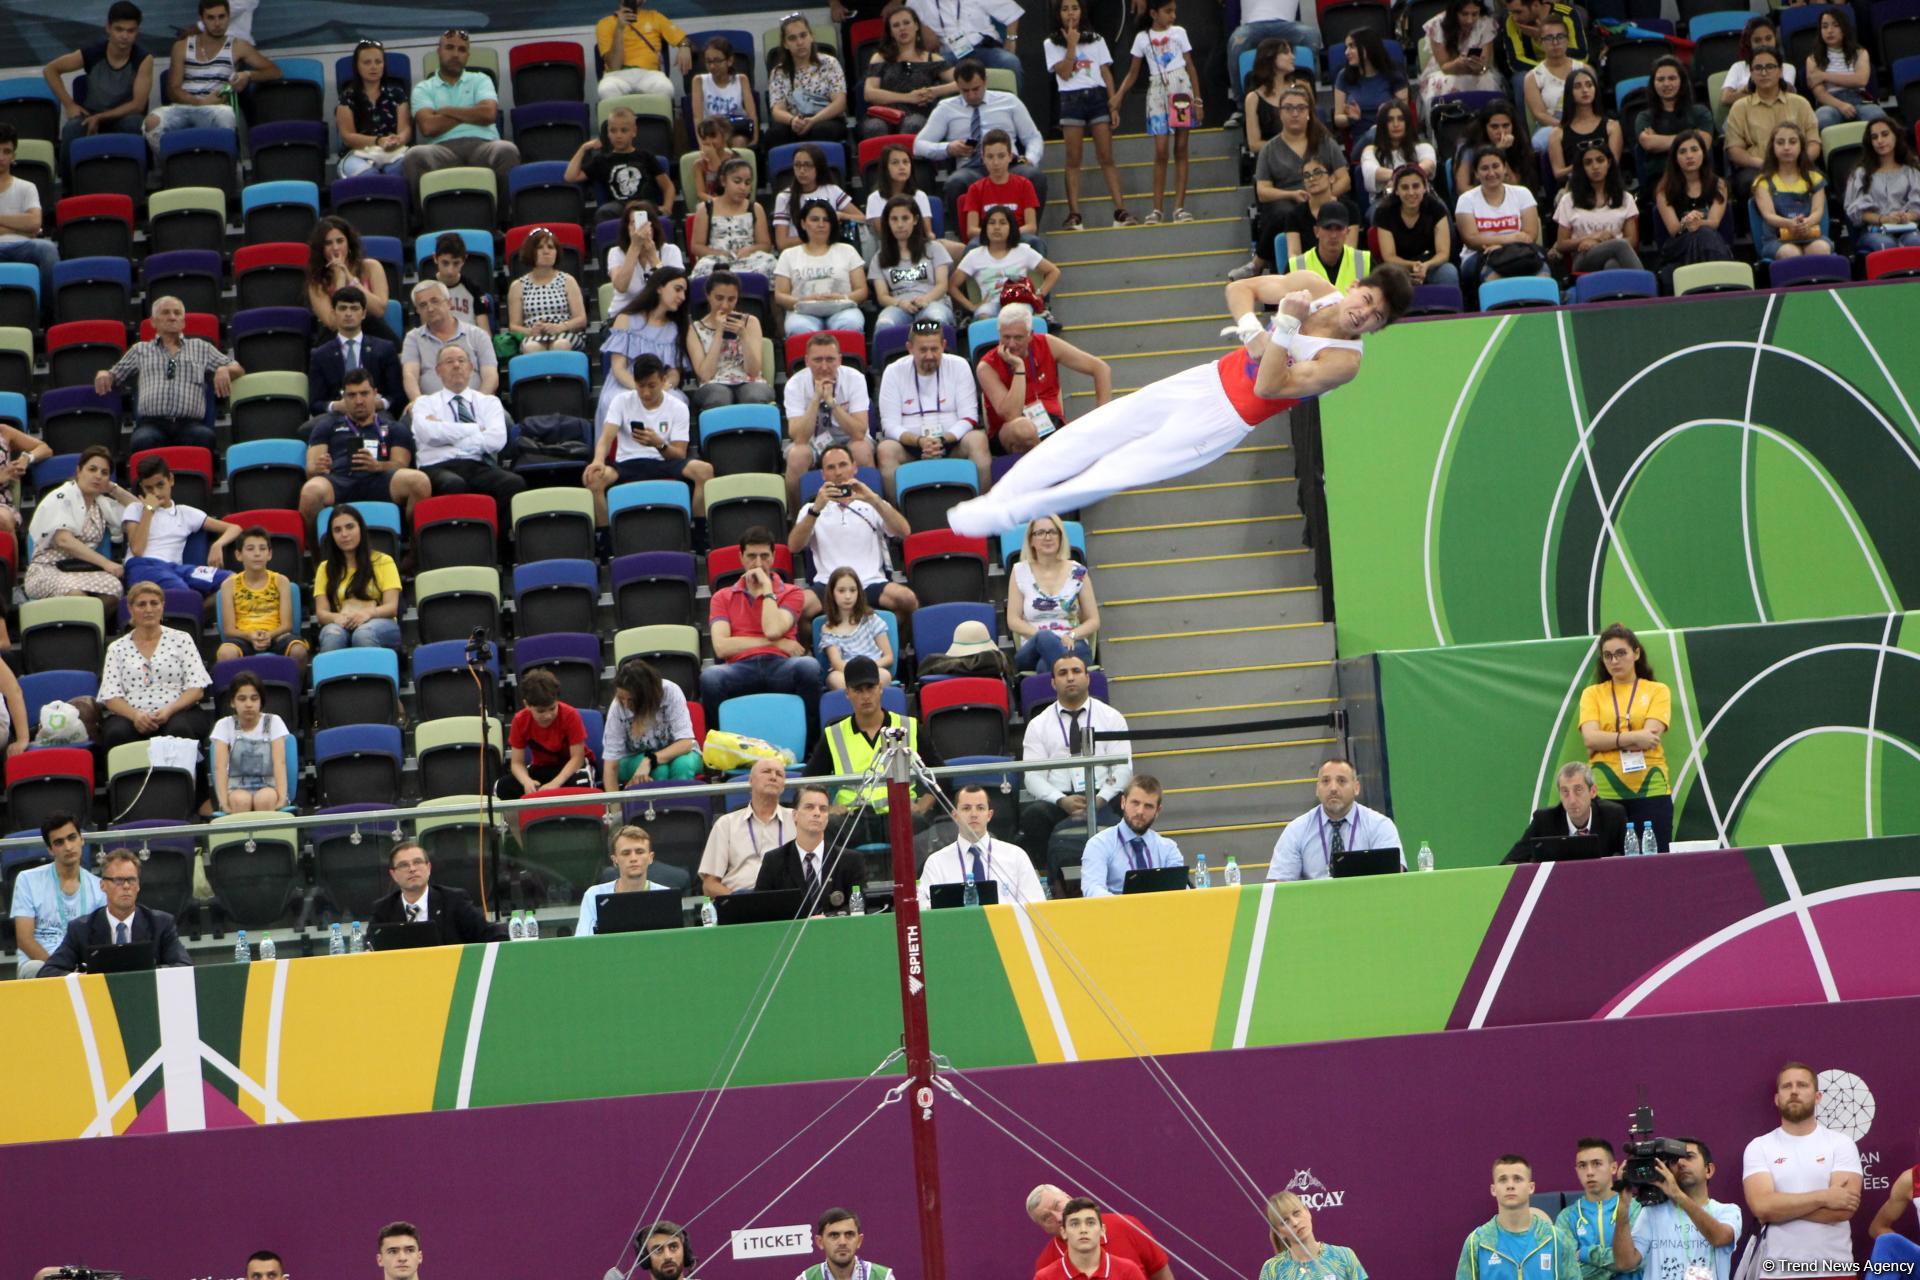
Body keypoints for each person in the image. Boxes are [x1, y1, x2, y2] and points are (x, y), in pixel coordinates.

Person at [952, 271, 1406, 536]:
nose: (1363, 314)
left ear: (1378, 328)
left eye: (1376, 317)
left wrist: (1285, 325)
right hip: (1203, 380)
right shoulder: (1312, 284)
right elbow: (1238, 290)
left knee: (1117, 469)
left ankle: (1009, 515)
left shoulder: (1344, 362)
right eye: (1366, 299)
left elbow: (1269, 387)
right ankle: (1001, 495)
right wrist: (1252, 330)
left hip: (1222, 421)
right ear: (1353, 286)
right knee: (1093, 431)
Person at [804, 655, 942, 844]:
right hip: (852, 818)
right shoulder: (834, 734)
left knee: (918, 823)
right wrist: (827, 808)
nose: (865, 696)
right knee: (827, 825)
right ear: (847, 693)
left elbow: (940, 774)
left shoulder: (907, 726)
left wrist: (923, 805)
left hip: (900, 814)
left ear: (880, 689)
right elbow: (807, 783)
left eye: (870, 688)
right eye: (858, 690)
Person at [1741, 1062, 1863, 1272]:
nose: (1794, 1091)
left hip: (1834, 1270)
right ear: (1777, 1099)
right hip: (1777, 1272)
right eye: (1787, 1086)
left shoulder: (1841, 1143)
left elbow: (1843, 1209)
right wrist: (1824, 1197)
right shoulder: (1759, 1146)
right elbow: (1761, 1207)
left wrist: (1778, 1207)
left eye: (1802, 1085)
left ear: (1817, 1097)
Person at [702, 527, 825, 725]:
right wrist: (776, 644)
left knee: (809, 667)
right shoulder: (721, 596)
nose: (758, 563)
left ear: (773, 557)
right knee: (711, 677)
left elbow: (773, 629)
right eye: (751, 556)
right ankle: (718, 745)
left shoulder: (793, 592)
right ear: (741, 557)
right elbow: (721, 647)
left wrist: (768, 590)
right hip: (739, 667)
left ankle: (812, 744)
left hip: (781, 666)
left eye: (764, 556)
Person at [96, 295, 242, 453]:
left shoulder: (202, 348)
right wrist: (104, 373)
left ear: (183, 321)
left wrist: (223, 369)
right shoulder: (140, 350)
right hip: (152, 424)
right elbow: (115, 375)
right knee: (142, 440)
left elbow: (238, 369)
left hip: (190, 424)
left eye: (177, 313)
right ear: (153, 322)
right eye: (166, 312)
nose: (172, 317)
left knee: (205, 437)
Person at [1020, 652, 1129, 863]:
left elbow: (1123, 770)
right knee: (1034, 816)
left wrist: (1100, 799)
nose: (1070, 677)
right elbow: (1032, 777)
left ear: (1088, 678)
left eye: (1076, 671)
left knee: (1130, 806)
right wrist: (1061, 800)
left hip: (1102, 796)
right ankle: (1052, 883)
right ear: (1053, 682)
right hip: (1060, 799)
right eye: (1063, 673)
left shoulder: (1111, 717)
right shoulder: (1038, 725)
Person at [1579, 622, 1675, 851]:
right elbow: (1590, 739)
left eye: (1621, 653)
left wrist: (1609, 739)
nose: (1614, 661)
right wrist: (1632, 738)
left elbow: (1651, 736)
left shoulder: (1657, 690)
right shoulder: (1592, 694)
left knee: (1655, 864)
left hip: (1651, 790)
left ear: (1636, 653)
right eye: (1608, 655)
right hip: (1605, 792)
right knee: (1607, 869)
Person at [1239, 85, 1351, 282]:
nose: (1295, 113)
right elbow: (1263, 191)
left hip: (1323, 196)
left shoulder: (1324, 142)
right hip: (1288, 199)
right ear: (1280, 113)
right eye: (1288, 108)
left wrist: (1329, 194)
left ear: (1309, 112)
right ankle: (1275, 269)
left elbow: (1344, 178)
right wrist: (1291, 194)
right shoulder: (1270, 149)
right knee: (1284, 213)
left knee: (1345, 208)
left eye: (1300, 108)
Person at [791, 443, 916, 618]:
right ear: (823, 474)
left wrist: (874, 500)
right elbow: (794, 546)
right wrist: (816, 510)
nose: (838, 472)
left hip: (870, 583)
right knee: (796, 609)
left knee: (907, 599)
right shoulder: (810, 509)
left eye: (843, 465)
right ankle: (814, 646)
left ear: (854, 468)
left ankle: (894, 643)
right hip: (828, 584)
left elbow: (905, 531)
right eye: (831, 467)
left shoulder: (873, 503)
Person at [588, 350, 710, 529]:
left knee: (705, 471)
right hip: (627, 462)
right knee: (594, 479)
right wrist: (598, 461)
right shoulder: (621, 401)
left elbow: (679, 453)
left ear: (663, 380)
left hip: (664, 461)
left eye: (651, 386)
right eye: (640, 385)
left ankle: (699, 531)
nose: (646, 392)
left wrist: (658, 444)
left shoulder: (678, 407)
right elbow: (606, 438)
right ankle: (605, 537)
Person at [407, 344, 525, 527]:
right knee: (454, 484)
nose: (456, 365)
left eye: (461, 361)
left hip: (476, 465)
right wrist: (476, 429)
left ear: (471, 368)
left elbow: (496, 441)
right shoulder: (424, 403)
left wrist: (445, 433)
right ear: (438, 371)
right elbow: (428, 434)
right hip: (436, 466)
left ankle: (497, 545)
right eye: (449, 361)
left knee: (513, 483)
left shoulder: (488, 402)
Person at [974, 302, 1112, 457]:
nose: (1011, 344)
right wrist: (1019, 368)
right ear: (999, 333)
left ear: (1030, 335)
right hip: (1009, 431)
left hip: (1050, 423)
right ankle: (1050, 462)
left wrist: (1103, 417)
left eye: (1018, 337)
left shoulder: (1047, 343)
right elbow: (1011, 414)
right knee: (1024, 429)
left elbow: (1101, 369)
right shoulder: (986, 366)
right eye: (1006, 337)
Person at [143, 0, 279, 155]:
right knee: (152, 121)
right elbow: (173, 90)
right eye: (211, 18)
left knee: (227, 115)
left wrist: (247, 75)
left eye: (222, 17)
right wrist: (199, 102)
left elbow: (274, 71)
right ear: (201, 19)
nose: (217, 23)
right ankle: (171, 164)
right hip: (184, 106)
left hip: (215, 109)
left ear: (229, 17)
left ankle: (225, 165)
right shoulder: (181, 46)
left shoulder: (238, 46)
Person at [914, 60, 1049, 216]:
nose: (971, 95)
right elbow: (919, 145)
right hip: (971, 168)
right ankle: (964, 238)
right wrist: (948, 148)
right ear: (957, 86)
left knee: (1035, 177)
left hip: (1010, 164)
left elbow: (1033, 136)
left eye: (976, 89)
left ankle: (1030, 233)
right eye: (965, 91)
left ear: (985, 82)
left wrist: (1030, 159)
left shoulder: (1009, 101)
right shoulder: (946, 108)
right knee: (955, 184)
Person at [98, 580, 214, 756]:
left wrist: (169, 710)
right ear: (130, 609)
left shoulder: (182, 639)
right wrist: (136, 716)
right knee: (116, 734)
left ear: (162, 606)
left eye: (154, 603)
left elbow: (196, 689)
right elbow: (111, 697)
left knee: (179, 731)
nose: (148, 609)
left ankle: (184, 782)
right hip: (131, 714)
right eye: (141, 604)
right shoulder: (117, 648)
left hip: (178, 710)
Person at [301, 369, 428, 528]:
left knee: (420, 482)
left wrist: (378, 466)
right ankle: (318, 553)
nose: (359, 400)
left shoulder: (394, 428)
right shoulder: (326, 426)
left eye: (364, 393)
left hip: (380, 479)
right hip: (339, 479)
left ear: (375, 394)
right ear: (344, 397)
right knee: (310, 492)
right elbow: (310, 470)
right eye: (352, 395)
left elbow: (400, 464)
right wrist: (319, 467)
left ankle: (415, 550)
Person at [404, 27, 520, 200]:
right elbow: (428, 127)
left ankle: (503, 222)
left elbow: (488, 114)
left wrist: (447, 111)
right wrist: (472, 112)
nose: (456, 54)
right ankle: (422, 225)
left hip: (484, 146)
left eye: (462, 50)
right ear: (439, 51)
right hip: (441, 149)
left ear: (468, 55)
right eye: (449, 48)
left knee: (507, 149)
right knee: (414, 156)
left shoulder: (481, 79)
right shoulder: (424, 88)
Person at [1110, 0, 1200, 224]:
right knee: (1161, 150)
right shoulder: (1142, 38)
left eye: (1174, 11)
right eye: (1168, 11)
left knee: (1181, 147)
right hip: (1157, 91)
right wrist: (1119, 95)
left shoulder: (1179, 33)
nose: (1173, 16)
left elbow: (1190, 66)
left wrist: (1197, 100)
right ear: (1153, 13)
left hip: (1180, 89)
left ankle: (1179, 207)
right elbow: (1132, 73)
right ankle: (1156, 208)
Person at [37, 847, 191, 975]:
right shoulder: (80, 929)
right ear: (102, 885)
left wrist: (150, 973)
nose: (126, 886)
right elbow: (48, 971)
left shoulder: (161, 924)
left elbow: (184, 966)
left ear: (138, 886)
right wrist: (83, 978)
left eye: (131, 880)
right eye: (118, 880)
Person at [1047, 0, 1129, 230]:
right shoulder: (1051, 43)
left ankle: (1121, 210)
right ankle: (1074, 214)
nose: (1070, 13)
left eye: (1074, 7)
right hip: (1070, 99)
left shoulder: (1096, 39)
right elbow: (1063, 73)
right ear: (1058, 14)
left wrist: (1113, 103)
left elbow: (1105, 71)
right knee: (1073, 158)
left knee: (1106, 156)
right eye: (1065, 9)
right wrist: (1071, 46)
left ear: (1082, 11)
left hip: (1096, 98)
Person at [877, 318, 985, 489]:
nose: (929, 355)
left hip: (952, 442)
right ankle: (896, 513)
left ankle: (984, 504)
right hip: (911, 446)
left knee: (978, 439)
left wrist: (942, 440)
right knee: (886, 449)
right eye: (923, 350)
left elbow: (969, 418)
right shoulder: (893, 371)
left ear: (943, 345)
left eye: (934, 349)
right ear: (910, 348)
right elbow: (889, 425)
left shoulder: (959, 366)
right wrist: (920, 441)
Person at [1610, 1138, 1740, 1280]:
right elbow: (1624, 1263)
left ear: (1708, 1170)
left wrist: (1677, 1195)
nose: (1680, 1163)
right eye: (1673, 1160)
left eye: (1689, 1157)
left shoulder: (1727, 1210)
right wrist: (1623, 1205)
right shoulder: (1651, 1212)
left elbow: (1719, 1238)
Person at [24, 444, 133, 608]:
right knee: (77, 596)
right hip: (46, 570)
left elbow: (140, 511)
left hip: (80, 570)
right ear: (78, 471)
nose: (98, 476)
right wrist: (106, 563)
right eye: (92, 469)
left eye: (104, 473)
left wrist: (113, 488)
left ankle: (89, 631)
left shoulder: (101, 504)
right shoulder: (62, 496)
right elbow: (63, 540)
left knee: (114, 590)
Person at [43, 1, 154, 160]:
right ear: (108, 28)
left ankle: (138, 179)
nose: (124, 36)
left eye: (131, 31)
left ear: (137, 31)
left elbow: (138, 105)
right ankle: (68, 182)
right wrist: (69, 104)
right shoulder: (93, 52)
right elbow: (50, 70)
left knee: (134, 125)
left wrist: (101, 117)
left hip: (125, 116)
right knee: (72, 129)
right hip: (91, 114)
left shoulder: (144, 59)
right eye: (119, 29)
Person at [1268, 756, 1403, 880]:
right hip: (1315, 904)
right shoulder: (1296, 830)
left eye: (1341, 781)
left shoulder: (1380, 825)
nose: (1333, 788)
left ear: (1356, 788)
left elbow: (1395, 878)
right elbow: (1279, 885)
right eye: (1326, 781)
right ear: (1317, 789)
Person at [123, 453, 237, 596]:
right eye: (149, 488)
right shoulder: (136, 508)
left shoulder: (185, 513)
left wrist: (217, 544)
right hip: (143, 566)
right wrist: (148, 510)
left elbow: (234, 528)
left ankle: (198, 611)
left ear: (171, 480)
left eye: (160, 485)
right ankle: (191, 605)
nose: (156, 493)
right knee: (181, 592)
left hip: (177, 569)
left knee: (233, 580)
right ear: (142, 487)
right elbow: (137, 550)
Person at [783, 332, 874, 504]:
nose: (824, 367)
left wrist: (832, 403)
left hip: (847, 438)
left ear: (839, 360)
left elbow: (859, 433)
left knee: (861, 449)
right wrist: (816, 399)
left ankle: (870, 511)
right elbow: (799, 437)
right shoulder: (794, 385)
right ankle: (796, 519)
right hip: (812, 441)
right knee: (796, 456)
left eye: (830, 360)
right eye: (817, 360)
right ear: (807, 360)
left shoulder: (855, 379)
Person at [10, 813, 104, 980]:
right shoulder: (27, 879)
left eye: (72, 838)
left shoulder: (99, 887)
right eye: (59, 842)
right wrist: (59, 971)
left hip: (82, 967)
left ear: (81, 840)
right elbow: (24, 939)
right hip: (40, 964)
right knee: (34, 968)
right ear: (50, 849)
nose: (68, 847)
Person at [1457, 1155, 1581, 1279]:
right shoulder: (1477, 1242)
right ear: (1493, 1189)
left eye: (1517, 1179)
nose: (1510, 1185)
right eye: (1503, 1179)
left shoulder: (1556, 1239)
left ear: (1531, 1187)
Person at [920, 782, 1043, 905]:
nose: (974, 814)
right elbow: (923, 908)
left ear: (989, 815)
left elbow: (1036, 905)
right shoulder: (936, 862)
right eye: (966, 808)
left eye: (980, 808)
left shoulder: (1016, 856)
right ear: (955, 815)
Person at [1724, 52, 1820, 205]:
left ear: (1780, 71)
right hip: (1758, 167)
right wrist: (1762, 164)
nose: (1764, 72)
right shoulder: (1739, 107)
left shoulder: (1800, 103)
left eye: (1770, 67)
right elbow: (1734, 150)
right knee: (1747, 183)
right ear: (1751, 73)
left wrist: (1798, 161)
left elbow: (1814, 142)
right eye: (1758, 68)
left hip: (1797, 163)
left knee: (1818, 180)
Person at [754, 782, 864, 910]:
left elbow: (859, 908)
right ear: (795, 815)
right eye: (809, 807)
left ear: (827, 817)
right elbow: (760, 909)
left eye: (823, 809)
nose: (817, 813)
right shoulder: (774, 861)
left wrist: (827, 918)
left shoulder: (850, 860)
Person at [1008, 514, 1097, 671]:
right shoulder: (1019, 571)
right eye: (1040, 533)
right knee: (1045, 638)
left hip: (1073, 645)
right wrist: (1043, 638)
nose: (1047, 537)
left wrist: (1072, 635)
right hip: (1032, 647)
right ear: (1031, 540)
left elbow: (1093, 620)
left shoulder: (1078, 571)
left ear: (1061, 537)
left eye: (1053, 532)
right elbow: (1013, 620)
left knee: (1044, 667)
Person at [1028, 1185, 1174, 1280]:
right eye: (1047, 1218)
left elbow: (1161, 1273)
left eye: (1057, 1205)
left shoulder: (1126, 1226)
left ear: (1068, 1198)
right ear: (1042, 1227)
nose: (1059, 1217)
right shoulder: (1045, 1268)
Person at [215, 525, 310, 667]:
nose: (257, 554)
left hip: (277, 635)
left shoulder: (281, 581)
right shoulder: (228, 585)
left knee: (299, 651)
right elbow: (229, 630)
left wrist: (269, 635)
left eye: (262, 548)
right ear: (238, 555)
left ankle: (297, 689)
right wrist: (250, 635)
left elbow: (287, 625)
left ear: (270, 554)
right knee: (225, 654)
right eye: (250, 549)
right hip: (244, 637)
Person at [776, 200, 870, 341]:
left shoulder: (848, 251)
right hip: (803, 311)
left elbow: (862, 291)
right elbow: (780, 295)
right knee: (799, 329)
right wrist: (803, 300)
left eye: (826, 220)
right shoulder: (789, 255)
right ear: (803, 223)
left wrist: (841, 298)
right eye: (814, 219)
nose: (821, 224)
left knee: (851, 324)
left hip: (842, 309)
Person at [698, 756, 794, 896]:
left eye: (779, 774)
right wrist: (738, 902)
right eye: (766, 771)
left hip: (787, 900)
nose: (773, 777)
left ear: (783, 785)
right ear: (750, 780)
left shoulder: (797, 820)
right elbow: (709, 885)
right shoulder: (726, 824)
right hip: (740, 899)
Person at [313, 504, 402, 653]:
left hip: (380, 622)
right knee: (332, 635)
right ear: (332, 536)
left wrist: (367, 614)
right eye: (337, 530)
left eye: (350, 527)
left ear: (360, 528)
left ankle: (373, 676)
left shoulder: (384, 561)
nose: (344, 534)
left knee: (363, 634)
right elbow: (322, 613)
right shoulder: (324, 568)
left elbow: (391, 608)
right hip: (343, 622)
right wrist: (336, 618)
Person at [564, 106, 675, 224]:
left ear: (634, 132)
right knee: (604, 212)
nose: (618, 135)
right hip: (617, 208)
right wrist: (583, 148)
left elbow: (668, 186)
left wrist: (667, 207)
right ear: (608, 133)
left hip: (642, 205)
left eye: (624, 130)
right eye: (613, 131)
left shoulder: (645, 157)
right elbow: (570, 177)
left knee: (641, 213)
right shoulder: (601, 160)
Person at [368, 841, 495, 944]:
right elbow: (369, 946)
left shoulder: (454, 900)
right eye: (403, 865)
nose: (412, 869)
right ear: (393, 874)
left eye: (417, 862)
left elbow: (489, 934)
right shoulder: (383, 910)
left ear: (428, 868)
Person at [1456, 145, 1547, 288]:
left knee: (1543, 274)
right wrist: (1511, 239)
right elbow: (1472, 240)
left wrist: (1498, 245)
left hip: (1521, 252)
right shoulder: (1466, 200)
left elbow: (1530, 235)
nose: (1491, 173)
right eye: (1484, 168)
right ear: (1476, 173)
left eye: (1495, 166)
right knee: (1495, 280)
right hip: (1480, 255)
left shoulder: (1523, 193)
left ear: (1505, 168)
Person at [603, 656, 701, 787]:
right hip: (633, 758)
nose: (625, 705)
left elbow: (685, 743)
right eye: (621, 698)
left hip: (678, 754)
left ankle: (683, 807)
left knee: (682, 766)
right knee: (659, 771)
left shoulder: (671, 691)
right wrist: (615, 806)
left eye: (631, 700)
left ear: (646, 695)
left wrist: (650, 760)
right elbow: (611, 766)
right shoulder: (617, 707)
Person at [1078, 776, 1182, 897]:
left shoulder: (1168, 848)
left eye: (1148, 806)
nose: (1140, 812)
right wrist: (1127, 907)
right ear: (1123, 802)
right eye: (1135, 803)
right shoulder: (1099, 844)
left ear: (1157, 811)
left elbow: (1180, 890)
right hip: (1115, 913)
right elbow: (1092, 890)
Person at [864, 4, 957, 140]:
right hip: (885, 114)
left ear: (916, 26)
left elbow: (962, 81)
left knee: (914, 124)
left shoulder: (932, 59)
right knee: (874, 127)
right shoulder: (880, 57)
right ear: (890, 32)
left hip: (919, 114)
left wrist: (933, 91)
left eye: (906, 23)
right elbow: (869, 93)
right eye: (896, 25)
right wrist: (908, 97)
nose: (902, 28)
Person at [687, 270, 774, 413]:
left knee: (753, 396)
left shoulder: (750, 322)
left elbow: (753, 371)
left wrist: (744, 336)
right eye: (719, 298)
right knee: (719, 398)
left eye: (731, 299)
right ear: (708, 296)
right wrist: (719, 333)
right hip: (714, 383)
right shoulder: (695, 329)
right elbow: (705, 375)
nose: (725, 305)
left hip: (749, 380)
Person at [308, 286, 405, 415]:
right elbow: (315, 404)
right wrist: (336, 406)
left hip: (377, 415)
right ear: (334, 313)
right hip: (336, 418)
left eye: (354, 308)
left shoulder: (385, 349)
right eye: (342, 308)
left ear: (364, 313)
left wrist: (378, 403)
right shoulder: (320, 355)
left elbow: (398, 397)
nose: (348, 313)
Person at [499, 668, 593, 801]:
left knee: (582, 783)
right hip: (542, 767)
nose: (548, 715)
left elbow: (577, 758)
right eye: (541, 711)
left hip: (571, 767)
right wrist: (526, 781)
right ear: (527, 705)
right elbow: (516, 763)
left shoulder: (570, 715)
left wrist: (555, 784)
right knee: (503, 786)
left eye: (552, 708)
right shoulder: (519, 721)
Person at [1503, 762, 1626, 861]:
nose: (1572, 800)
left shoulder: (1613, 816)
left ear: (1593, 791)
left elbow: (1632, 860)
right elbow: (1509, 863)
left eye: (1578, 790)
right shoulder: (1544, 821)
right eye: (1565, 791)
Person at [871, 197, 958, 338]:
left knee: (934, 320)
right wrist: (900, 303)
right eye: (894, 219)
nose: (900, 224)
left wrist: (926, 299)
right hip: (899, 305)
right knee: (884, 325)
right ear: (887, 222)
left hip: (933, 301)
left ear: (916, 220)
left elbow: (942, 286)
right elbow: (882, 296)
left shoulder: (934, 248)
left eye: (905, 218)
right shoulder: (879, 257)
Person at [953, 207, 1059, 321]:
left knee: (1017, 316)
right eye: (992, 223)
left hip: (1019, 302)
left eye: (1003, 223)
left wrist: (1038, 295)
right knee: (983, 315)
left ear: (1011, 227)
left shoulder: (1023, 251)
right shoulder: (974, 255)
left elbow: (1053, 271)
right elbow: (952, 285)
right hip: (991, 304)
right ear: (985, 228)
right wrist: (971, 306)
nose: (997, 227)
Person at [401, 280, 498, 401]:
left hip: (476, 403)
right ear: (417, 311)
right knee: (406, 419)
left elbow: (491, 376)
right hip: (432, 408)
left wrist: (480, 404)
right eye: (423, 305)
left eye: (435, 301)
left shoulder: (478, 335)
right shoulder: (413, 338)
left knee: (504, 418)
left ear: (449, 303)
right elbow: (410, 375)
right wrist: (418, 403)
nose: (430, 308)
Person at [1550, 146, 1642, 275]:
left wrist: (1601, 243)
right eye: (1588, 163)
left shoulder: (1625, 198)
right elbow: (1561, 244)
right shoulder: (1568, 200)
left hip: (1617, 256)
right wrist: (1593, 238)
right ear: (1582, 168)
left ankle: (1613, 295)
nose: (1595, 166)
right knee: (1620, 245)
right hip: (1583, 258)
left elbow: (1632, 240)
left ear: (1609, 163)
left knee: (1612, 265)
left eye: (1600, 160)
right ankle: (1646, 287)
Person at [1553, 1139, 1637, 1280]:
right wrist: (1622, 1262)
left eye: (1597, 1164)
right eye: (1582, 1166)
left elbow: (1638, 1261)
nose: (1589, 1172)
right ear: (1576, 1170)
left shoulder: (1635, 1208)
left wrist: (1585, 1254)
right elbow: (1568, 1272)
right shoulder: (1566, 1218)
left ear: (1613, 1168)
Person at [210, 670, 291, 813]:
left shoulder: (274, 722)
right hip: (236, 787)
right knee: (240, 801)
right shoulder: (223, 725)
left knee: (265, 799)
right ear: (232, 702)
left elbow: (280, 763)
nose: (248, 704)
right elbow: (219, 767)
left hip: (268, 786)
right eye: (242, 699)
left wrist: (282, 797)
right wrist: (223, 803)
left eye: (254, 698)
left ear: (261, 701)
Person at [767, 14, 850, 150]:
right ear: (785, 44)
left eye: (803, 35)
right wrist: (792, 120)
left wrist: (813, 121)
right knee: (775, 134)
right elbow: (777, 110)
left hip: (826, 119)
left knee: (820, 131)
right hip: (794, 121)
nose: (799, 42)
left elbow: (839, 103)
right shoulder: (778, 72)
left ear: (811, 36)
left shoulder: (830, 63)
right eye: (792, 38)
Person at [577, 825, 677, 935]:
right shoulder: (593, 895)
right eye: (626, 853)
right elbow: (583, 942)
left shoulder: (665, 895)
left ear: (650, 857)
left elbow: (674, 943)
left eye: (639, 852)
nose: (633, 858)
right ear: (615, 860)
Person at [1753, 122, 1833, 261]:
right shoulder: (1762, 181)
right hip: (1777, 240)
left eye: (1792, 142)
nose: (1786, 147)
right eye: (1780, 142)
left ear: (1801, 146)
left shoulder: (1815, 178)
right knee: (1791, 253)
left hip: (1811, 235)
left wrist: (1806, 223)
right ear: (1772, 147)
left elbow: (1818, 211)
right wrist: (1790, 224)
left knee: (1821, 249)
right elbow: (1769, 215)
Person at [307, 217, 395, 344]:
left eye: (340, 241)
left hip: (372, 330)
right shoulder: (317, 281)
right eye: (328, 243)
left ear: (349, 243)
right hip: (336, 337)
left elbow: (379, 310)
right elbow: (333, 323)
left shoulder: (371, 267)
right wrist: (340, 280)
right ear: (321, 248)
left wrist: (352, 280)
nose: (335, 248)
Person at [0, 126, 58, 315]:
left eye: (6, 152)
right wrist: (19, 227)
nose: (1, 157)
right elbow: (30, 226)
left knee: (48, 249)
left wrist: (5, 226)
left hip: (23, 247)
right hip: (19, 239)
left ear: (13, 156)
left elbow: (34, 223)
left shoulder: (27, 187)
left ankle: (47, 314)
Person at [689, 159, 779, 280]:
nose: (743, 187)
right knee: (704, 268)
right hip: (717, 259)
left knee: (770, 263)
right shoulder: (706, 209)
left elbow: (765, 245)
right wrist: (721, 254)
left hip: (749, 258)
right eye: (737, 181)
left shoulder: (755, 208)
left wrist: (750, 249)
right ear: (723, 181)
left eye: (747, 183)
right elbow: (696, 246)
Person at [1655, 131, 1733, 270]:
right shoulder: (1664, 190)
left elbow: (1714, 223)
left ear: (1703, 153)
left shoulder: (1719, 185)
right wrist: (1686, 223)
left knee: (1704, 233)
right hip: (1678, 246)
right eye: (1683, 152)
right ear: (1675, 158)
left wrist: (1698, 223)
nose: (1689, 156)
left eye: (1694, 150)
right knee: (1701, 235)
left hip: (1710, 241)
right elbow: (1673, 229)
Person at [506, 226, 589, 355]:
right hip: (533, 335)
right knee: (532, 348)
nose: (546, 251)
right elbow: (514, 327)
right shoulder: (518, 286)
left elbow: (581, 319)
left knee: (560, 345)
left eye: (551, 247)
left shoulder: (568, 280)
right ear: (530, 252)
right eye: (540, 248)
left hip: (565, 332)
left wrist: (560, 327)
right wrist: (530, 331)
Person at [335, 38, 411, 178]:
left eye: (378, 62)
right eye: (367, 62)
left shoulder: (398, 95)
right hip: (358, 154)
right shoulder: (347, 98)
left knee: (399, 173)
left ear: (384, 65)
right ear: (357, 66)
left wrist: (398, 140)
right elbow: (347, 136)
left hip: (393, 152)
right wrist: (378, 141)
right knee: (369, 177)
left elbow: (405, 130)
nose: (373, 67)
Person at [1373, 165, 1458, 288]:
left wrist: (1426, 265)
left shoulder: (1437, 209)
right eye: (1405, 187)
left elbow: (1443, 253)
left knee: (1449, 272)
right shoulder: (1384, 212)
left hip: (1430, 265)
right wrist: (1413, 265)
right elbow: (1389, 256)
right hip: (1399, 268)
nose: (1411, 192)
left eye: (1416, 186)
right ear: (1396, 190)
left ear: (1425, 188)